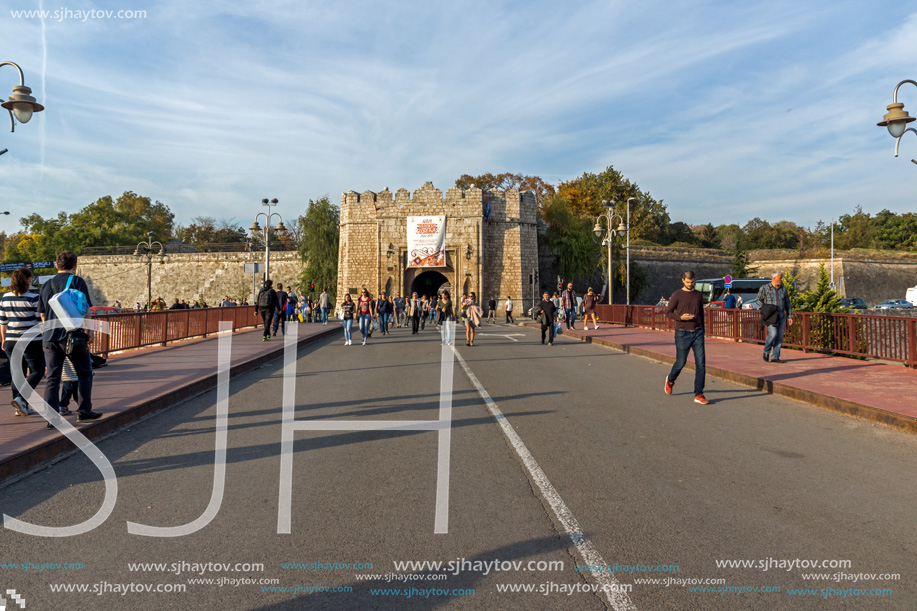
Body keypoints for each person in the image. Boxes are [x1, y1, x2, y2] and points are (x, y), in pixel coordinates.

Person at [38, 250, 102, 426]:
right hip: (73, 335)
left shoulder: (47, 284)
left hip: (50, 337)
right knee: (84, 372)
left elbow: (42, 313)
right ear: (75, 265)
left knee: (52, 377)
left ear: (56, 265)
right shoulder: (77, 281)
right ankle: (84, 411)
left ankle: (52, 419)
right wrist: (90, 331)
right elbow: (86, 309)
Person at [0, 267, 44, 416]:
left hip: (11, 340)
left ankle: (19, 407)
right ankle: (21, 399)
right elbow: (40, 322)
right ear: (28, 280)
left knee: (17, 374)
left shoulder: (5, 298)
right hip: (31, 340)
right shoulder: (34, 297)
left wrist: (4, 339)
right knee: (37, 371)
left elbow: (3, 322)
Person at [664, 270, 708, 405]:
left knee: (701, 364)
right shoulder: (677, 294)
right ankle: (670, 380)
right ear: (683, 280)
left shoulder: (698, 295)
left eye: (692, 282)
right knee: (681, 362)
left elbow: (701, 312)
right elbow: (668, 312)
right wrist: (680, 317)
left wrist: (703, 331)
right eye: (688, 282)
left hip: (698, 332)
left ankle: (699, 394)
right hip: (682, 333)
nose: (690, 284)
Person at [756, 272, 794, 364]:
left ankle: (775, 356)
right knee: (773, 334)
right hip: (771, 316)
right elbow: (758, 300)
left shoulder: (783, 289)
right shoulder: (764, 288)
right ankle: (766, 351)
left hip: (781, 315)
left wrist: (789, 316)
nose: (782, 280)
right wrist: (766, 307)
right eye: (780, 278)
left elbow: (787, 303)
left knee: (779, 336)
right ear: (774, 278)